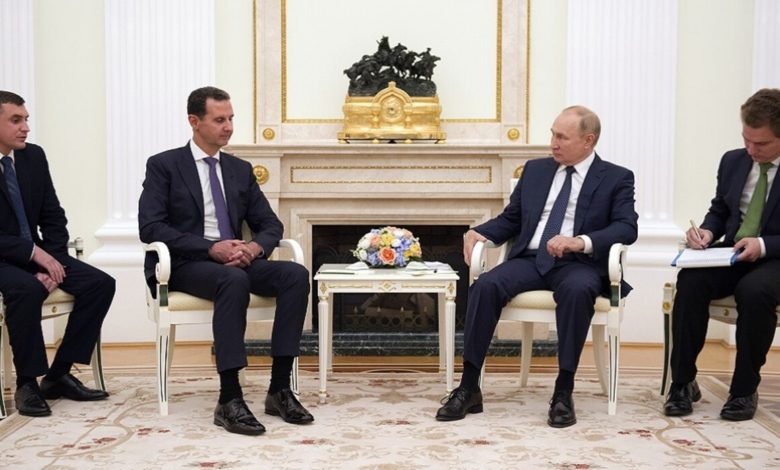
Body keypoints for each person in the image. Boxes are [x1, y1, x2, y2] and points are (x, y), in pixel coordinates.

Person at [436, 106, 638, 428]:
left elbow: (626, 227)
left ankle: (563, 391)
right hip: (531, 260)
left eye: (562, 137)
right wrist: (479, 232)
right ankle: (469, 387)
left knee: (577, 290)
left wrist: (580, 241)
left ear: (588, 140)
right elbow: (512, 219)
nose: (553, 143)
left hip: (578, 264)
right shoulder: (535, 170)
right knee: (485, 285)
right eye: (552, 134)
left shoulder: (616, 178)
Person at [138, 86, 313, 436]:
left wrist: (254, 248)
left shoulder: (239, 169)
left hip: (238, 259)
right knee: (233, 281)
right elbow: (151, 227)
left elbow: (270, 224)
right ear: (194, 121)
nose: (229, 126)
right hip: (185, 263)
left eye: (231, 118)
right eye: (219, 120)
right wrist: (209, 248)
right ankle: (229, 398)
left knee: (295, 275)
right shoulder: (164, 165)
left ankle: (279, 389)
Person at [664, 88, 780, 421]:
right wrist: (706, 232)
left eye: (761, 144)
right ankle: (682, 383)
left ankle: (743, 390)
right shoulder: (733, 161)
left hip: (775, 258)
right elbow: (720, 209)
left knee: (754, 291)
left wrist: (763, 245)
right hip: (734, 252)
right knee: (691, 281)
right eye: (746, 140)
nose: (751, 150)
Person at [0, 90, 115, 417]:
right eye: (16, 120)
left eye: (26, 120)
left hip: (37, 252)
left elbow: (53, 215)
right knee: (26, 289)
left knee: (100, 284)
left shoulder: (32, 156)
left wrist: (52, 259)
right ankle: (27, 383)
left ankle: (59, 374)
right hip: (5, 259)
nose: (25, 127)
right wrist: (35, 255)